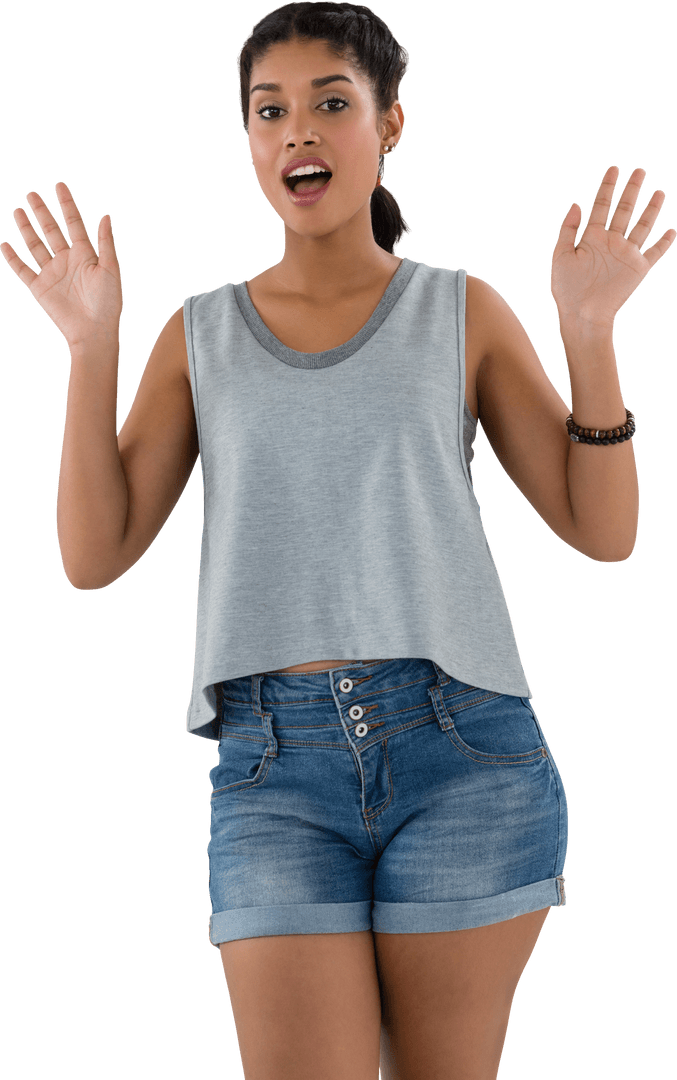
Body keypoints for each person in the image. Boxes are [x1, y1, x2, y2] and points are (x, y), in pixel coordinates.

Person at [2, 2, 672, 1077]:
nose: (296, 132)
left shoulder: (459, 309)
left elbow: (603, 530)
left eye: (329, 102)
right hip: (274, 769)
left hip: (463, 752)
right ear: (249, 140)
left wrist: (588, 335)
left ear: (387, 125)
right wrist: (93, 345)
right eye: (269, 112)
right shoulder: (201, 331)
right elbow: (93, 554)